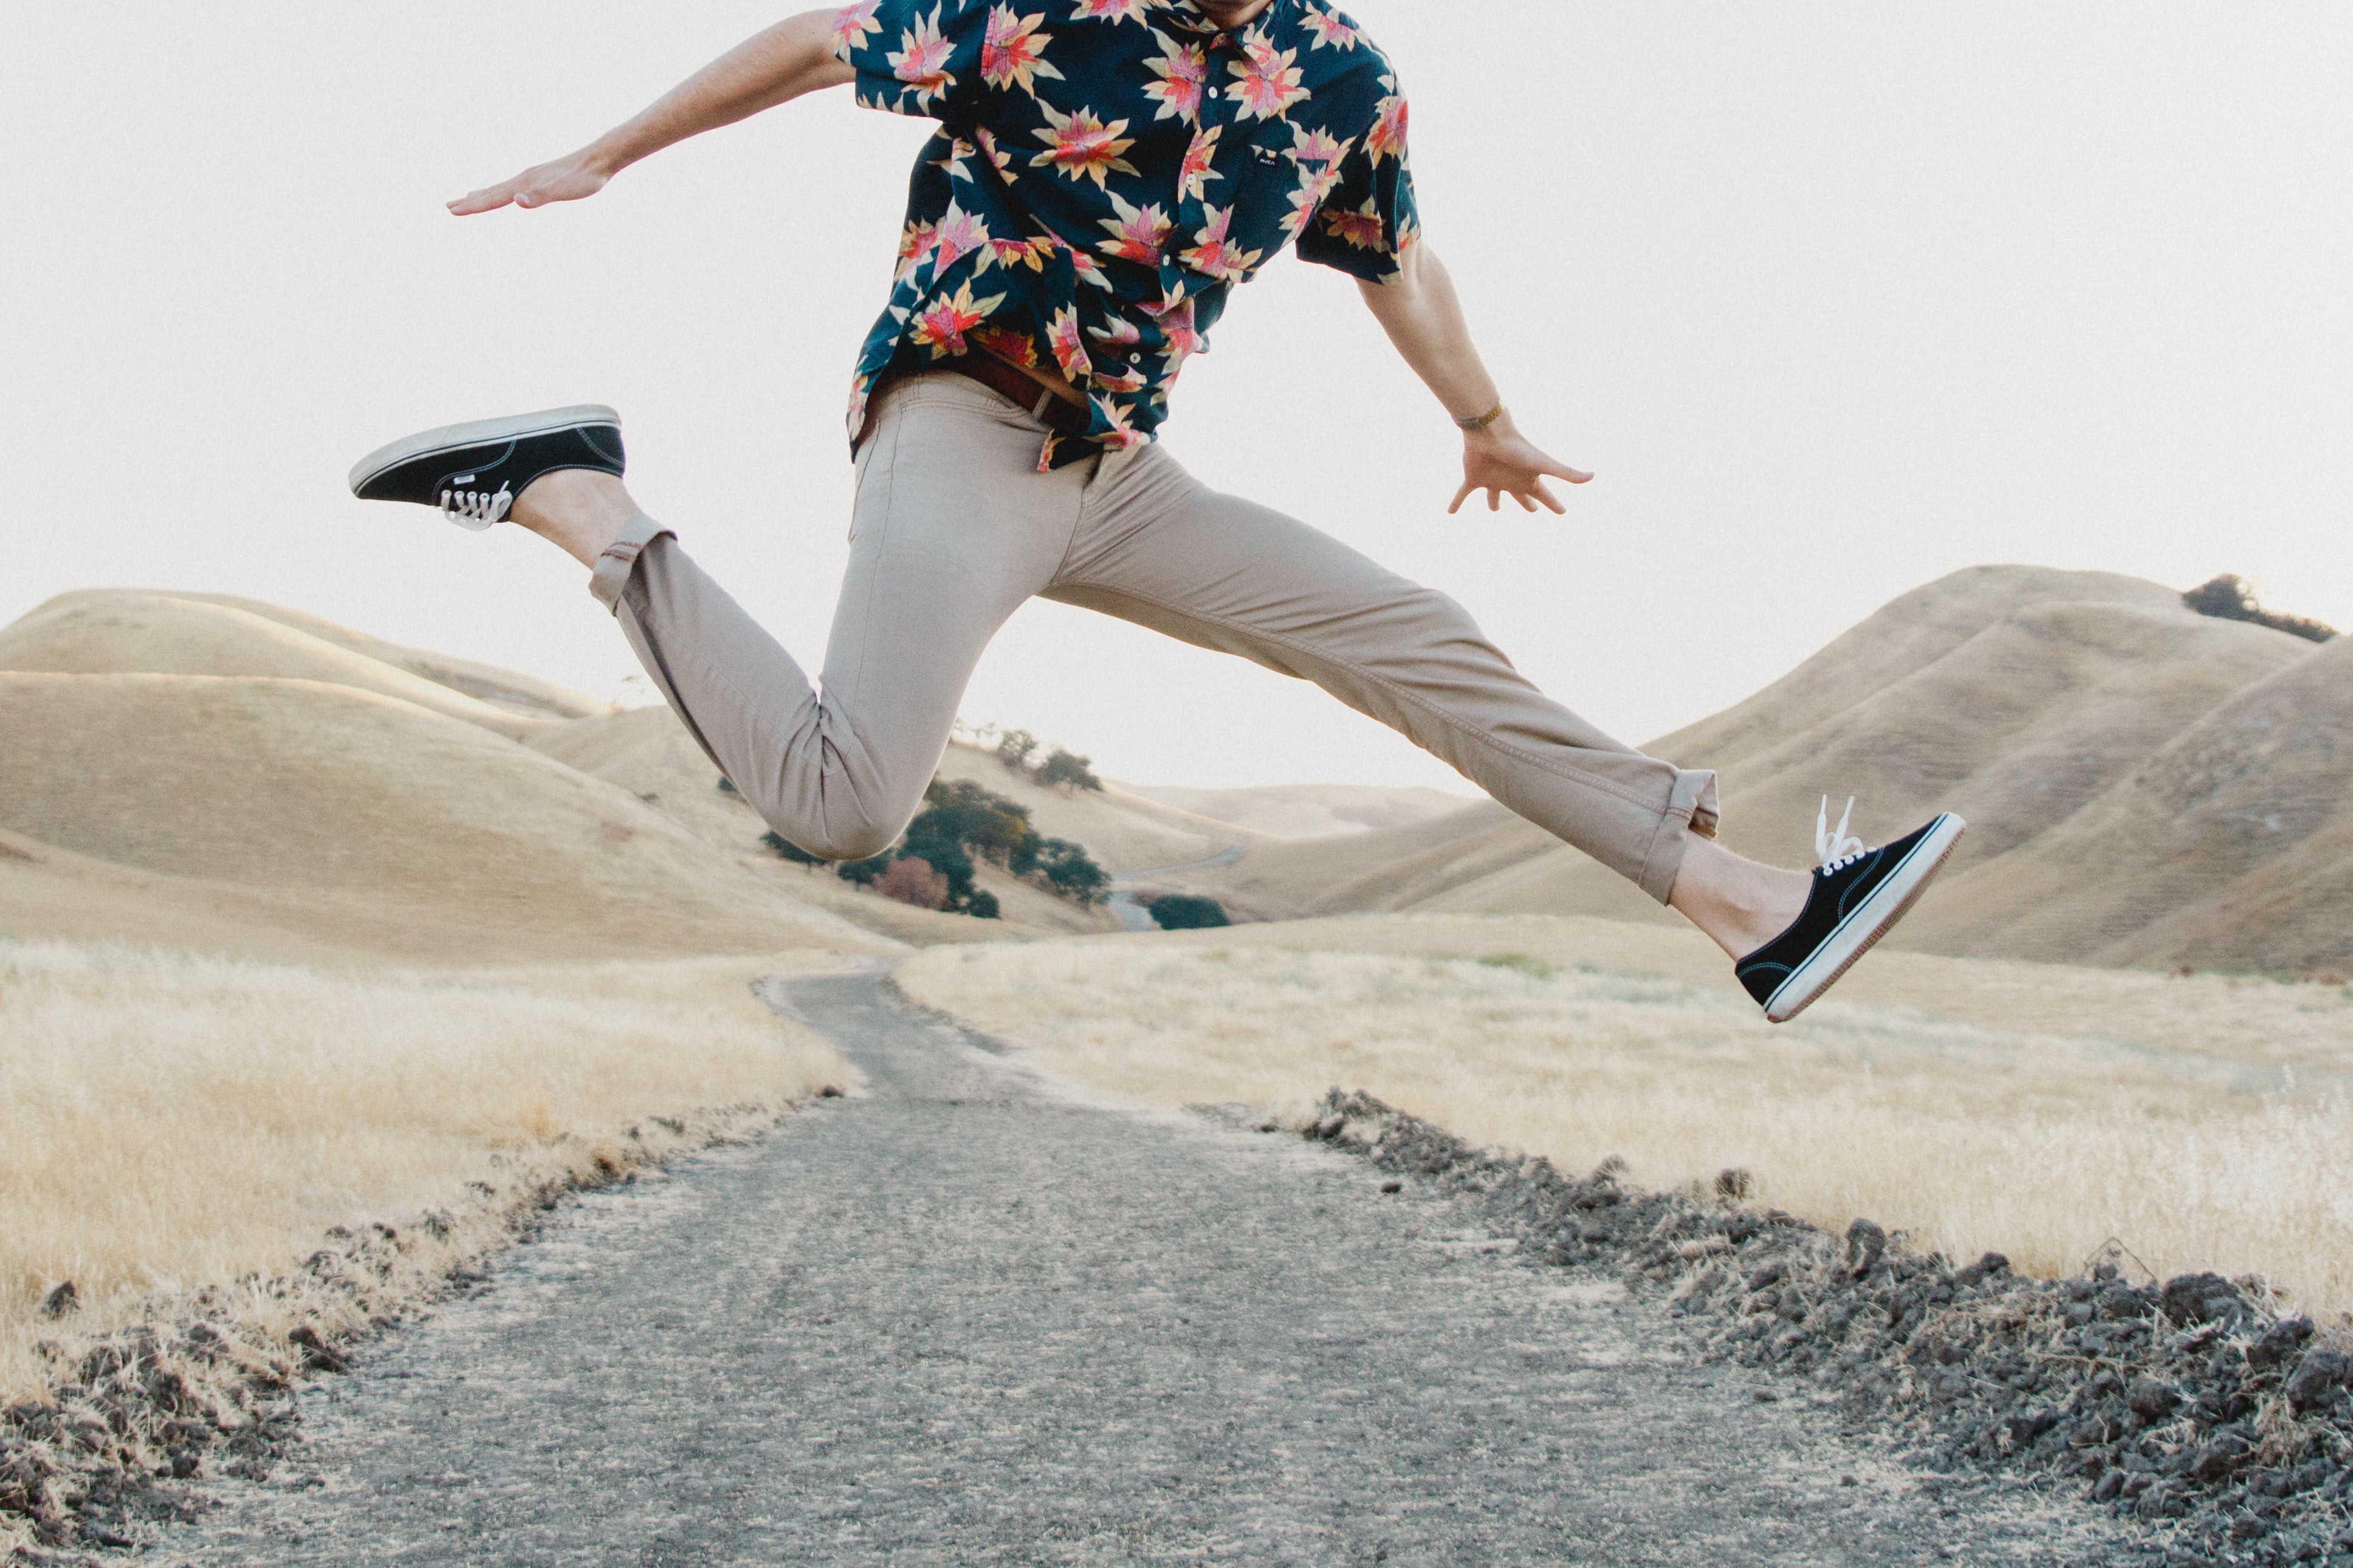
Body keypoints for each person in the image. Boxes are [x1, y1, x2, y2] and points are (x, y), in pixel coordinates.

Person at [348, 0, 1962, 1022]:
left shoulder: (1340, 77)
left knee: (1409, 633)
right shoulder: (1049, 19)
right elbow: (817, 39)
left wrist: (1483, 421)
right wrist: (605, 153)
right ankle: (578, 497)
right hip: (960, 433)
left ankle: (1750, 908)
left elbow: (1396, 259)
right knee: (846, 805)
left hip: (1120, 480)